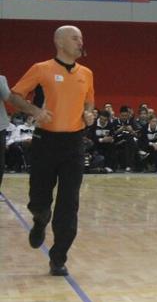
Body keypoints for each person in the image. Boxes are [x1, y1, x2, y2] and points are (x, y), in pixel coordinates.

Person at [6, 25, 95, 276]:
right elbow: (14, 96)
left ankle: (58, 257)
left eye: (81, 38)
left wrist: (89, 113)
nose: (80, 42)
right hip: (45, 142)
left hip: (74, 144)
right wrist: (35, 111)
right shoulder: (41, 69)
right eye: (75, 38)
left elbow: (90, 100)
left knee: (69, 204)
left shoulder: (87, 73)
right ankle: (39, 218)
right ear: (60, 42)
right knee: (39, 198)